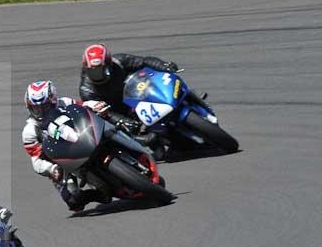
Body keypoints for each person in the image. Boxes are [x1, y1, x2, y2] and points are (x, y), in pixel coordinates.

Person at [78, 44, 211, 154]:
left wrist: (163, 65)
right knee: (154, 146)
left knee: (169, 84)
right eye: (93, 72)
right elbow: (102, 114)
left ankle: (191, 99)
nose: (98, 76)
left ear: (109, 63)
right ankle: (160, 144)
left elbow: (143, 61)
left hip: (139, 93)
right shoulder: (86, 89)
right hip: (120, 112)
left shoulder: (119, 61)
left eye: (102, 70)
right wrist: (122, 120)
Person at [22, 80, 112, 212]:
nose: (41, 111)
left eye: (45, 106)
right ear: (29, 107)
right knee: (74, 202)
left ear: (53, 101)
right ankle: (102, 194)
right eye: (36, 108)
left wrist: (95, 105)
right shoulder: (30, 130)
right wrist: (51, 169)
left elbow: (83, 106)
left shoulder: (64, 103)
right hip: (62, 162)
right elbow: (36, 159)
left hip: (83, 135)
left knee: (107, 118)